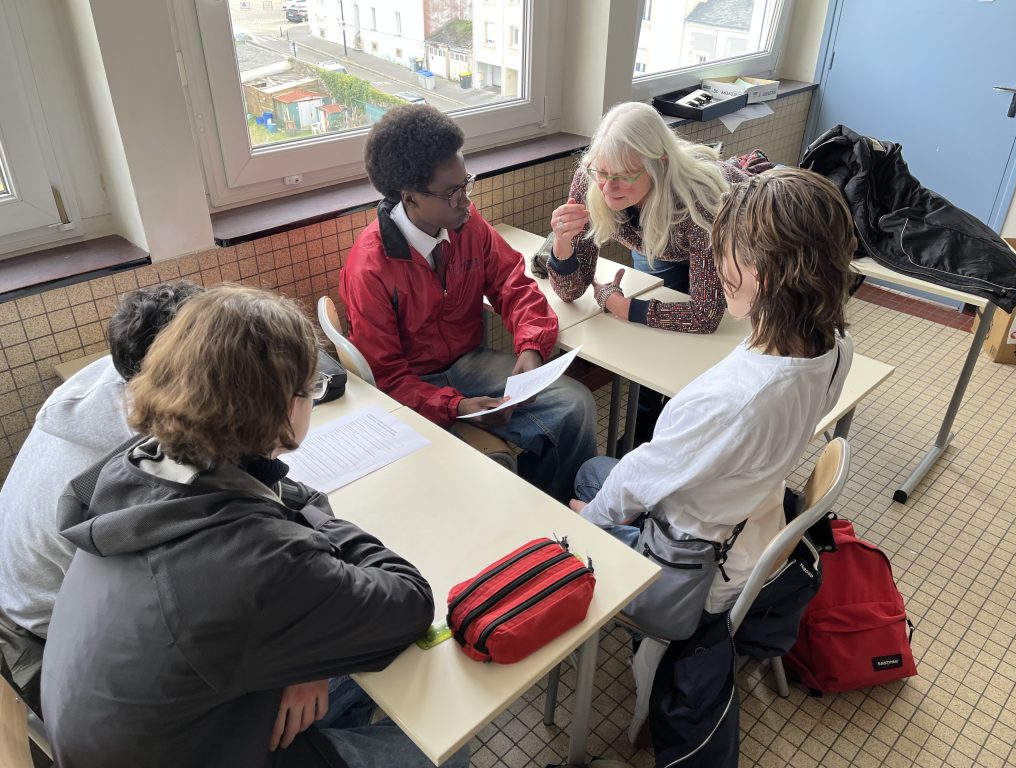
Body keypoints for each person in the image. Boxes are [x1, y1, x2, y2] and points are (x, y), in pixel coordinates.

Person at [41, 285, 464, 768]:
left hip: (142, 727)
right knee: (447, 748)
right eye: (311, 388)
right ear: (284, 406)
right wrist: (314, 518)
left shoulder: (132, 466)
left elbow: (282, 512)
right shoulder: (259, 562)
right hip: (209, 747)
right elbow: (410, 600)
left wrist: (295, 508)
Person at [570, 167, 856, 620]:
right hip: (750, 527)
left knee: (592, 478)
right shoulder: (836, 345)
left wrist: (583, 528)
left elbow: (635, 480)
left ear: (761, 273)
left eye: (722, 250)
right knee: (608, 476)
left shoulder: (732, 402)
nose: (716, 263)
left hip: (690, 576)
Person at [340, 104, 597, 502]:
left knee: (575, 407)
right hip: (413, 386)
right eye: (452, 193)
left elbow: (513, 284)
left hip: (468, 364)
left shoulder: (465, 223)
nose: (465, 200)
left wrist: (531, 347)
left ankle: (560, 517)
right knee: (467, 481)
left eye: (467, 183)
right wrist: (456, 407)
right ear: (410, 198)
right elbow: (386, 378)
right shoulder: (369, 267)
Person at [0, 282, 202, 709]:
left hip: (24, 597)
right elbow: (199, 594)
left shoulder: (115, 376)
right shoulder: (139, 466)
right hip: (49, 641)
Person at [547, 102, 753, 445]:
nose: (608, 188)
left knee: (700, 356)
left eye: (624, 175)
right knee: (652, 349)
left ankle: (676, 432)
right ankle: (641, 432)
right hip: (661, 242)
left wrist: (620, 305)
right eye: (602, 173)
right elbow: (570, 290)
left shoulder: (701, 202)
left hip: (731, 238)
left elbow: (705, 316)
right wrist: (562, 243)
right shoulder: (591, 176)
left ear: (660, 164)